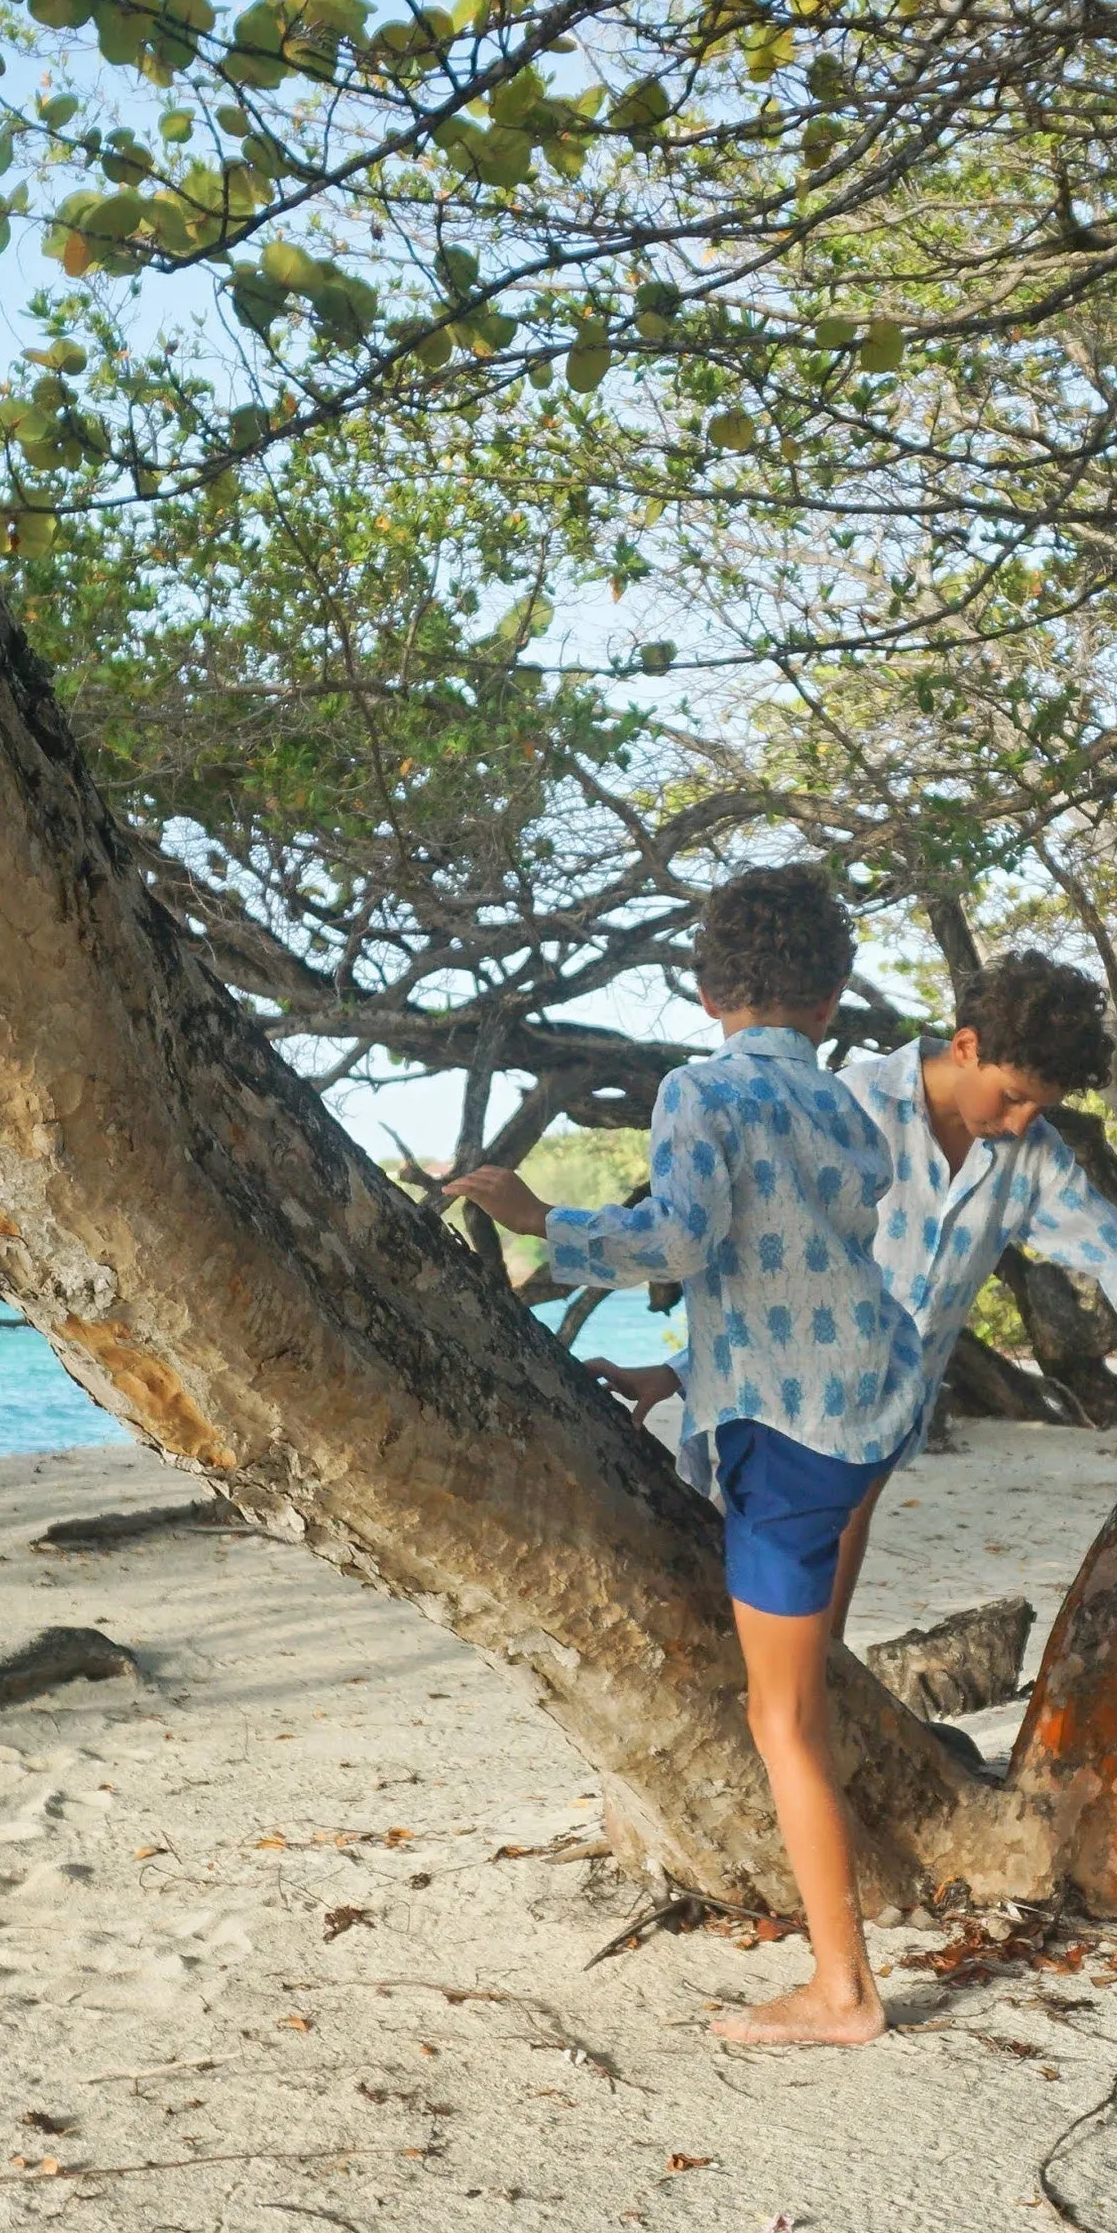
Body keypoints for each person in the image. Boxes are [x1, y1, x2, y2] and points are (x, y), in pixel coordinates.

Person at [443, 864, 923, 2048]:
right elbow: (795, 1265)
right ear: (833, 997)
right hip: (870, 1404)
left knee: (783, 1721)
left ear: (707, 990)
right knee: (796, 1688)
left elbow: (682, 1237)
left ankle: (844, 1991)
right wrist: (681, 1377)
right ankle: (844, 1944)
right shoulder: (849, 1112)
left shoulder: (698, 1090)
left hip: (791, 1444)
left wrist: (537, 1219)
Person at [595, 949, 1117, 1636]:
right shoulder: (847, 1100)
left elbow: (1112, 1243)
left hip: (892, 1397)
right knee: (758, 1556)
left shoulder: (1032, 1153)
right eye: (1012, 1096)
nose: (1020, 1122)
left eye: (1041, 1108)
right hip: (788, 1387)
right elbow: (766, 1266)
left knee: (838, 1537)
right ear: (967, 1046)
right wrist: (682, 1372)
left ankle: (820, 1676)